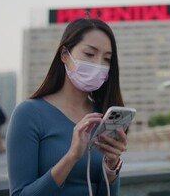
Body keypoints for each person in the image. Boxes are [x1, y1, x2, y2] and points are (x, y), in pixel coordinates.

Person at [7, 18, 127, 196]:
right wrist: (71, 156)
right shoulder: (29, 113)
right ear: (64, 54)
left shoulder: (104, 117)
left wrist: (111, 167)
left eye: (107, 59)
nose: (98, 65)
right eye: (89, 54)